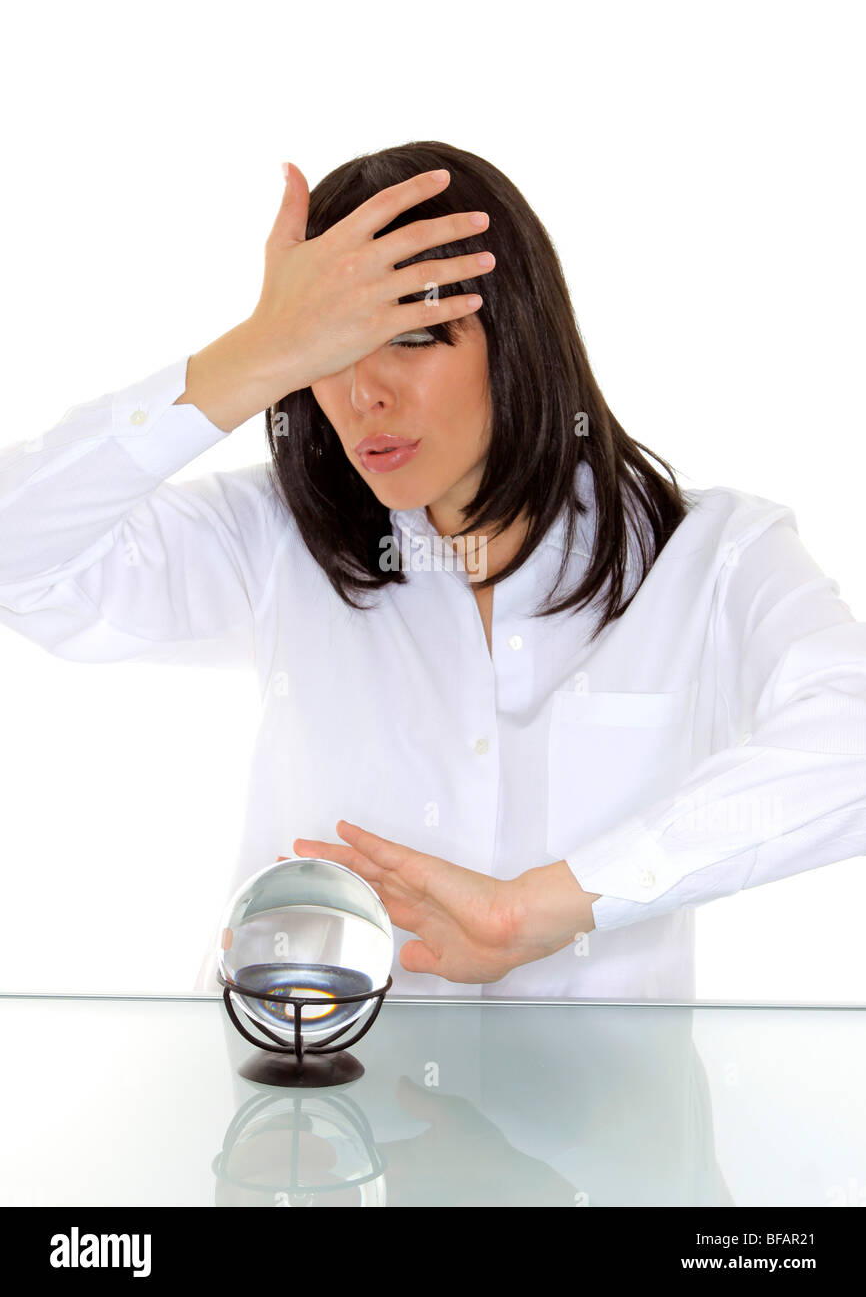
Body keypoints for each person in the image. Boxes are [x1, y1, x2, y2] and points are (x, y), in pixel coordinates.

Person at [1, 140, 864, 1004]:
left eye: (411, 337)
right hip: (308, 1120)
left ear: (518, 336)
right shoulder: (271, 539)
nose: (362, 394)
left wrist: (552, 904)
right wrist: (255, 353)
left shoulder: (708, 554)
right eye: (326, 351)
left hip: (606, 1130)